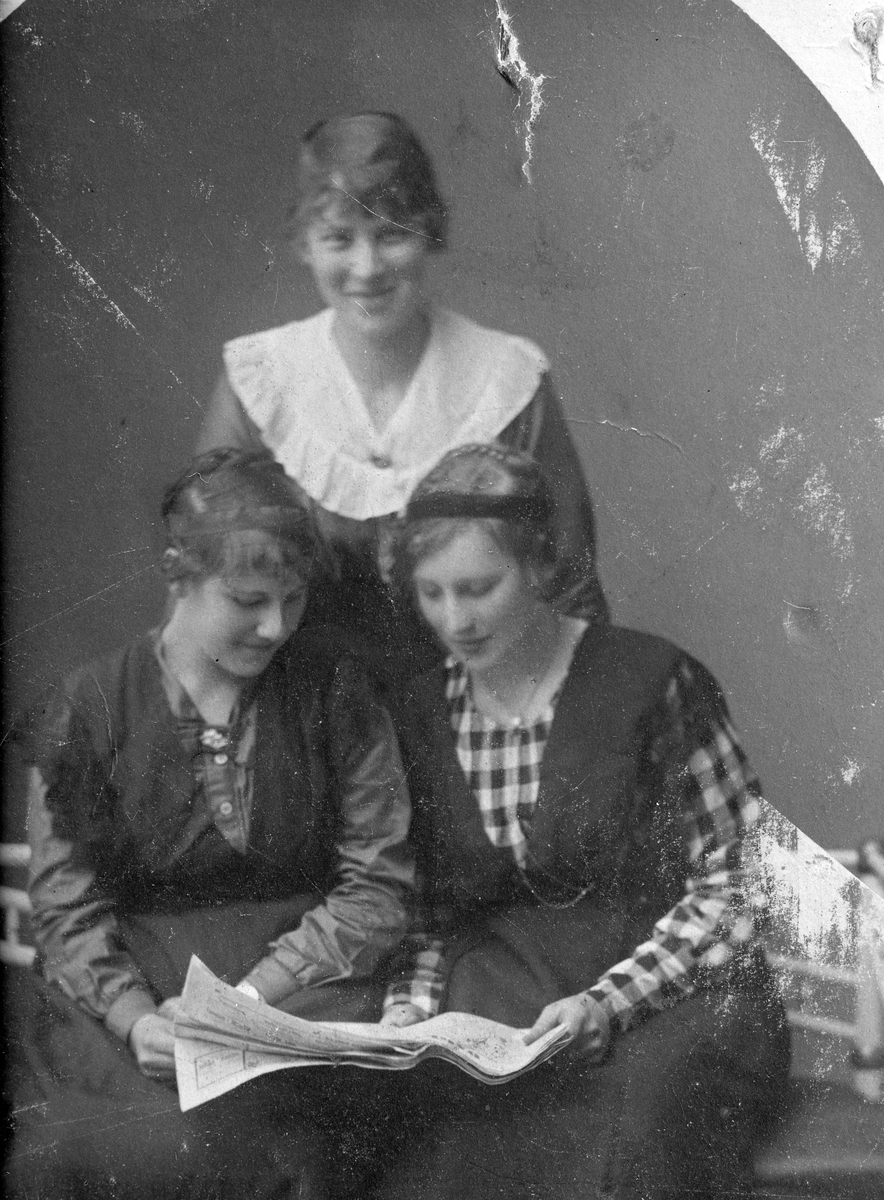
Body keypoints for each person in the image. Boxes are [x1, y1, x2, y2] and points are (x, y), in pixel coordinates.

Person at [374, 444, 791, 1200]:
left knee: (638, 1137)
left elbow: (739, 881)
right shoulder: (419, 711)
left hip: (681, 1000)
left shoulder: (653, 680)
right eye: (432, 593)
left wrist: (608, 1004)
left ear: (539, 566)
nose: (454, 620)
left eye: (478, 588)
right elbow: (427, 916)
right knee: (439, 1146)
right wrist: (411, 1015)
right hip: (514, 1010)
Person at [6, 448, 415, 1200]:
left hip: (299, 997)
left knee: (322, 1140)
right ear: (177, 575)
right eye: (248, 599)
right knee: (135, 1150)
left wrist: (246, 1006)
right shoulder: (86, 708)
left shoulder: (338, 692)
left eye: (294, 599)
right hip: (133, 1010)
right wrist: (136, 1020)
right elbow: (66, 909)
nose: (275, 626)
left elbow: (377, 885)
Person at [197, 112, 604, 690]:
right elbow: (207, 587)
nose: (367, 269)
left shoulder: (507, 379)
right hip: (301, 719)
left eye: (392, 234)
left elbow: (571, 588)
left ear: (429, 232)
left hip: (486, 715)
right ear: (305, 244)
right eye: (339, 238)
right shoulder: (259, 381)